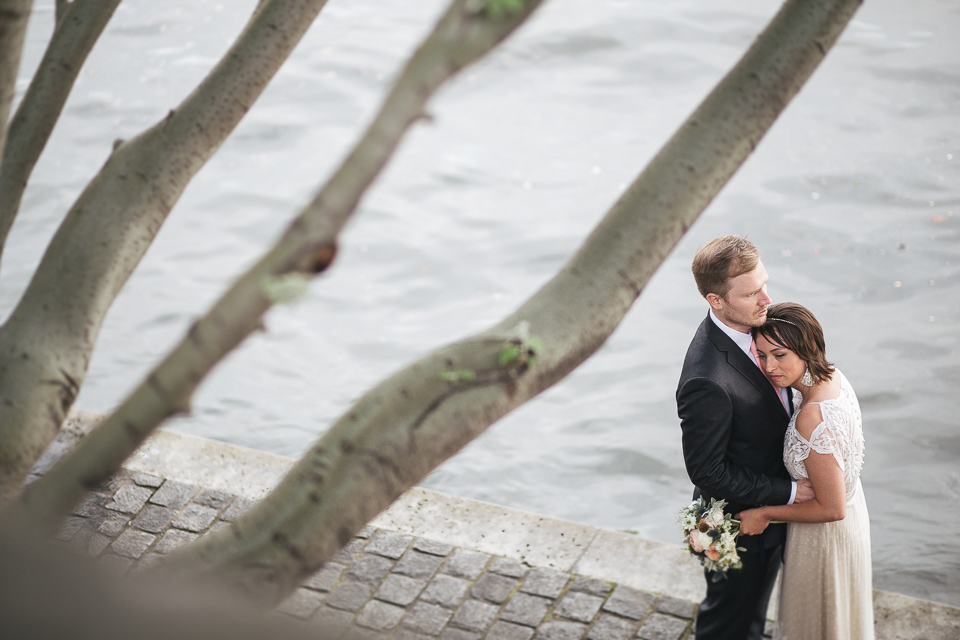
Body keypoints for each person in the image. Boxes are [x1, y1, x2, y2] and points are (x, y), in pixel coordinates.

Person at [676, 235, 813, 640]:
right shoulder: (706, 380)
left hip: (767, 517)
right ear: (716, 300)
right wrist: (788, 493)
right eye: (752, 292)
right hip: (738, 525)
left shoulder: (761, 325)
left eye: (765, 283)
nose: (766, 298)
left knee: (752, 612)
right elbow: (706, 470)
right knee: (729, 623)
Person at [737, 302, 874, 640]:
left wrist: (764, 512)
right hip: (856, 515)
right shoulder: (835, 379)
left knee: (817, 622)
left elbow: (831, 508)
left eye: (780, 355)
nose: (769, 366)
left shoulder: (811, 418)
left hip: (824, 538)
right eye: (763, 354)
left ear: (806, 348)